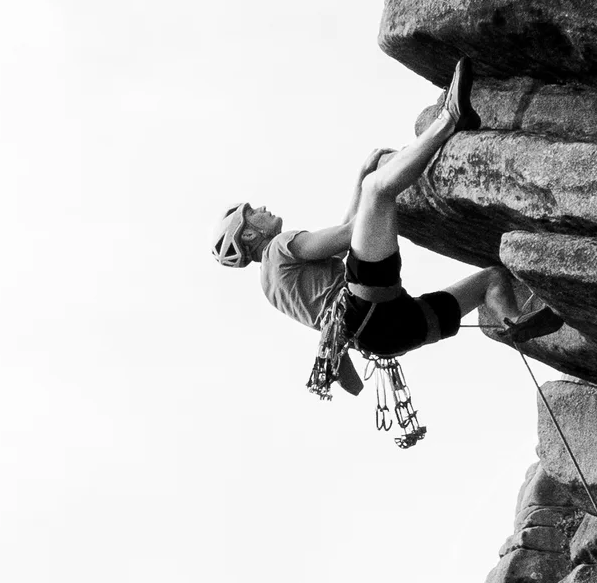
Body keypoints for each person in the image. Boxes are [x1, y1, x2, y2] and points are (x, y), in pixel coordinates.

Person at [210, 58, 527, 409]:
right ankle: (451, 118)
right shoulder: (279, 249)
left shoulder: (271, 286)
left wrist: (359, 178)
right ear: (251, 237)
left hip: (388, 337)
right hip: (369, 306)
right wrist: (367, 183)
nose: (262, 210)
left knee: (492, 280)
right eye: (253, 215)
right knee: (380, 189)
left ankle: (515, 323)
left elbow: (348, 231)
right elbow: (349, 235)